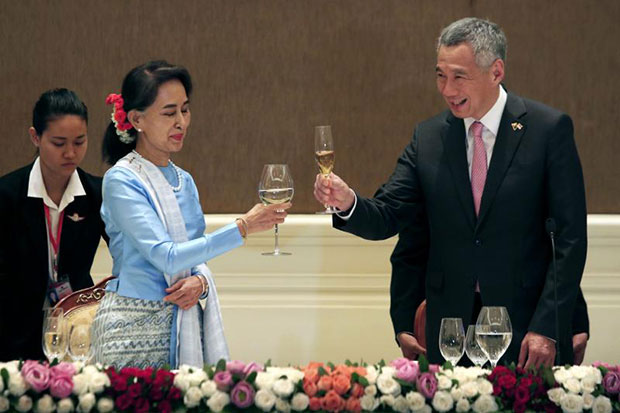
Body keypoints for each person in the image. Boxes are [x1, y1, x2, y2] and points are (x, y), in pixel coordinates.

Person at [314, 18, 587, 368]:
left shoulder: (547, 131)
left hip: (527, 331)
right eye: (440, 75)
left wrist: (548, 328)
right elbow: (387, 215)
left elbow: (569, 240)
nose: (446, 88)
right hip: (449, 332)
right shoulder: (428, 138)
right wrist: (347, 201)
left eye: (459, 76)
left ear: (496, 71)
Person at [91, 60, 290, 369]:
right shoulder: (122, 180)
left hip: (184, 320)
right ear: (136, 119)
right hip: (131, 328)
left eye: (185, 110)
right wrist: (243, 227)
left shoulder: (184, 180)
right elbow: (167, 257)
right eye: (169, 113)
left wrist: (201, 282)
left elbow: (194, 258)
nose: (181, 122)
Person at [0, 88, 107, 361]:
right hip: (14, 330)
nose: (70, 153)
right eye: (59, 143)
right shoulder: (7, 194)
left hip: (79, 331)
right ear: (35, 137)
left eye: (79, 142)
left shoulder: (97, 194)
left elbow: (128, 252)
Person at [389, 222, 590, 364]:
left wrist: (575, 316)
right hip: (451, 325)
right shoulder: (433, 162)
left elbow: (553, 243)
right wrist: (405, 326)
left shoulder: (529, 161)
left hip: (525, 321)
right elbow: (410, 250)